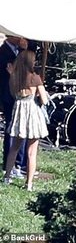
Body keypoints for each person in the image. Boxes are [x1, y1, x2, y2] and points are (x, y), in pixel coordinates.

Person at [2, 50, 48, 191]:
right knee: (31, 151)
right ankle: (29, 184)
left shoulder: (14, 77)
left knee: (14, 147)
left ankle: (7, 177)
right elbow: (45, 100)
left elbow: (12, 94)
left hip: (19, 112)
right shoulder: (35, 78)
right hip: (32, 113)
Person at [0, 36, 28, 176]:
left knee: (21, 128)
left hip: (18, 95)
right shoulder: (4, 52)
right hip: (9, 95)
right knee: (12, 128)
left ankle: (20, 162)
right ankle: (10, 163)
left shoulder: (17, 50)